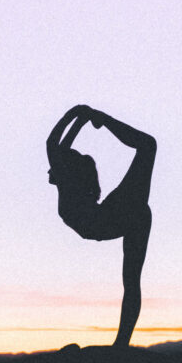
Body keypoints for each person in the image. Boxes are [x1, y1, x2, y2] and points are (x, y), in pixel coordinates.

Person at [46, 104, 157, 347]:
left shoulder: (68, 185)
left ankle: (121, 344)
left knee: (148, 145)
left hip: (111, 218)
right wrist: (82, 116)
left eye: (54, 167)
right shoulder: (69, 185)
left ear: (65, 170)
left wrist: (78, 114)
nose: (48, 170)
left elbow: (53, 144)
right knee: (131, 281)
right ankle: (121, 343)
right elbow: (59, 148)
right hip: (116, 217)